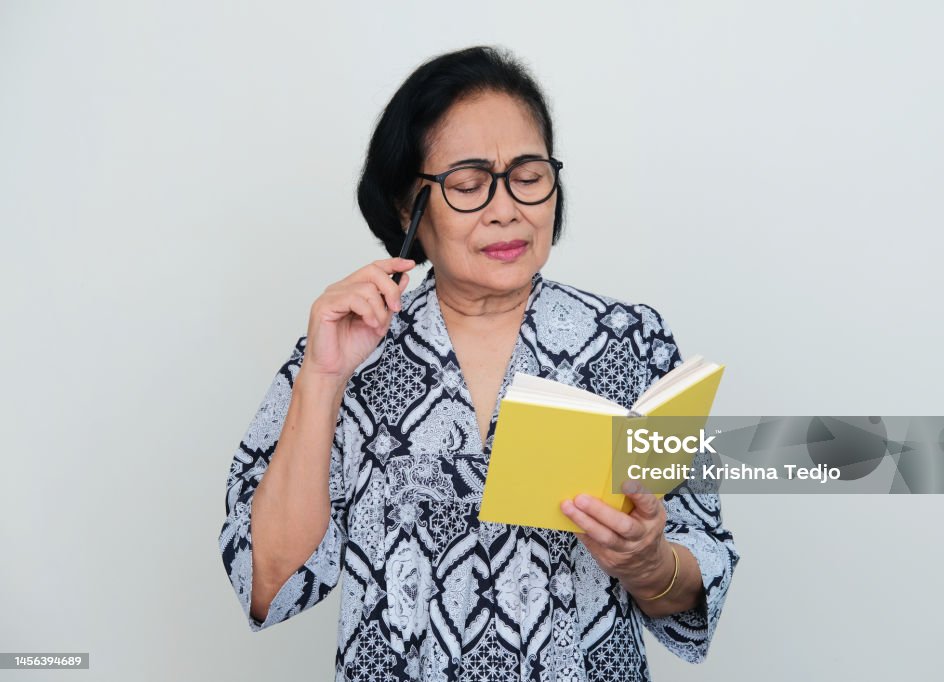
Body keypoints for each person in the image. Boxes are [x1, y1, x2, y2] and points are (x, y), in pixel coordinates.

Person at [218, 45, 739, 682]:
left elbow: (702, 564)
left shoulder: (632, 343)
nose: (505, 208)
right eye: (468, 184)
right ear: (411, 210)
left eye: (528, 176)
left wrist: (649, 564)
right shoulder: (342, 350)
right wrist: (325, 379)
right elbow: (269, 584)